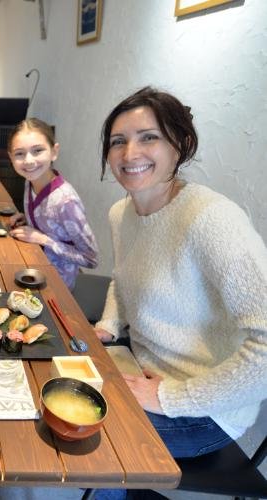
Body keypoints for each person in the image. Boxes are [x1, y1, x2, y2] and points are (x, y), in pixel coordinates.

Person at [94, 87, 267, 467]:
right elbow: (123, 278)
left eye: (149, 138)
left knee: (93, 429)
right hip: (140, 369)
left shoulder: (211, 219)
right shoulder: (120, 214)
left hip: (206, 410)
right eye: (117, 142)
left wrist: (173, 397)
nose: (129, 154)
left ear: (181, 144)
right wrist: (108, 324)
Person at [7, 118, 99, 289]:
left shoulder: (66, 202)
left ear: (54, 152)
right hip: (31, 266)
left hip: (57, 285)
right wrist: (27, 218)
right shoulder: (30, 180)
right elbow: (49, 221)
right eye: (20, 153)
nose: (28, 161)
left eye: (37, 151)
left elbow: (91, 259)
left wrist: (43, 239)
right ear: (11, 157)